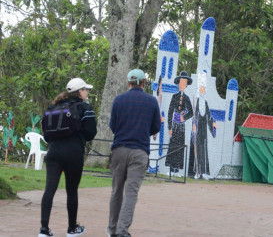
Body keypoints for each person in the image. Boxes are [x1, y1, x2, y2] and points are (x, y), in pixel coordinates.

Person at [39, 78, 97, 237]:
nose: (87, 93)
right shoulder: (84, 107)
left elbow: (46, 136)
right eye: (86, 90)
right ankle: (72, 228)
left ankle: (44, 229)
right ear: (80, 92)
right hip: (73, 152)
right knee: (71, 191)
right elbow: (91, 133)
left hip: (54, 153)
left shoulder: (54, 107)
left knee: (49, 189)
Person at [106, 69, 161, 237]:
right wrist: (143, 131)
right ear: (144, 83)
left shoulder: (119, 100)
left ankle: (112, 229)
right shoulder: (151, 101)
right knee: (131, 192)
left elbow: (113, 125)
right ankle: (122, 231)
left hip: (119, 149)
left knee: (116, 190)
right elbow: (156, 126)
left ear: (128, 83)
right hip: (139, 151)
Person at [188, 71, 218, 180]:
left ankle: (204, 172)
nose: (202, 91)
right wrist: (194, 126)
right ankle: (197, 172)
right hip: (197, 130)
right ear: (198, 91)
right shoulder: (196, 102)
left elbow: (209, 116)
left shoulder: (205, 103)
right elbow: (194, 116)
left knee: (203, 151)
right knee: (197, 150)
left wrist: (213, 124)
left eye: (203, 89)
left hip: (204, 130)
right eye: (201, 89)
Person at [165, 71, 193, 174]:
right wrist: (169, 127)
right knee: (173, 145)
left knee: (180, 146)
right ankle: (171, 168)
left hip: (181, 126)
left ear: (186, 85)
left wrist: (184, 117)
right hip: (174, 124)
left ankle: (177, 169)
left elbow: (191, 112)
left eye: (184, 83)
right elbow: (169, 112)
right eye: (181, 82)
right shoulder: (174, 97)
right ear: (178, 84)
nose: (182, 84)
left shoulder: (187, 98)